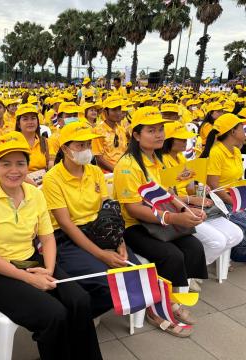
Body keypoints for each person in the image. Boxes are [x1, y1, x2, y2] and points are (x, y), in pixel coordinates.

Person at [0, 131, 102, 360]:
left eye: (20, 163)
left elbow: (48, 238)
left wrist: (49, 272)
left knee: (80, 300)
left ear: (28, 165)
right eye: (6, 164)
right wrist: (31, 279)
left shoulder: (34, 194)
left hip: (29, 260)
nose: (14, 170)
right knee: (54, 314)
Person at [113, 107, 208, 337]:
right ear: (136, 135)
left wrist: (188, 210)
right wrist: (174, 217)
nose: (159, 135)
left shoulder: (159, 160)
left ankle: (173, 298)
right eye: (151, 130)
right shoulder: (128, 166)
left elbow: (169, 194)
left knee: (193, 246)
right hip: (133, 225)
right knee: (171, 255)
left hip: (159, 221)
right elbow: (133, 209)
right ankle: (157, 311)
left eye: (160, 129)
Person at [43, 121, 138, 318]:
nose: (86, 150)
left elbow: (108, 210)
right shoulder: (52, 179)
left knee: (134, 272)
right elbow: (67, 225)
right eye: (80, 145)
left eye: (88, 144)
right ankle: (81, 315)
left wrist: (119, 241)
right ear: (65, 149)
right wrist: (101, 255)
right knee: (107, 280)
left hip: (100, 230)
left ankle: (88, 311)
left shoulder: (94, 172)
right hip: (67, 238)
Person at [162, 121, 242, 268]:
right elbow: (164, 197)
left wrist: (200, 190)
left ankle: (194, 267)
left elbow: (189, 188)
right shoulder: (161, 162)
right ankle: (191, 272)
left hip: (191, 205)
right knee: (218, 241)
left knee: (236, 235)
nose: (185, 141)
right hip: (176, 209)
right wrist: (192, 199)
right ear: (168, 141)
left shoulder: (181, 158)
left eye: (185, 138)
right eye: (180, 138)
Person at [201, 113, 246, 262]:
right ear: (233, 132)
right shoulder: (216, 153)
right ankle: (238, 252)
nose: (244, 131)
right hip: (222, 202)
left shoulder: (236, 151)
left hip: (236, 198)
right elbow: (214, 185)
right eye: (242, 128)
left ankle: (240, 249)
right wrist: (234, 202)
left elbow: (238, 180)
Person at [92, 96, 128, 173]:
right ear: (105, 112)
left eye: (119, 109)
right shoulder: (98, 131)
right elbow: (99, 158)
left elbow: (125, 151)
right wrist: (117, 171)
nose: (118, 113)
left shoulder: (121, 129)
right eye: (114, 110)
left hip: (124, 169)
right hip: (107, 173)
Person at [15, 103, 53, 175]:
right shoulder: (13, 142)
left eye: (33, 118)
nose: (30, 122)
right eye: (25, 119)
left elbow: (50, 162)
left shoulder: (44, 142)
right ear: (18, 124)